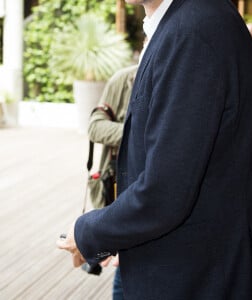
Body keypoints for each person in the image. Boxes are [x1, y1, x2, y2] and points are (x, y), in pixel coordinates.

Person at [57, 1, 252, 299]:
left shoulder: (192, 31)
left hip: (201, 275)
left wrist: (87, 233)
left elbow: (166, 190)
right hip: (195, 263)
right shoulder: (191, 21)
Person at [87, 64, 138, 300]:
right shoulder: (124, 79)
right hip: (121, 184)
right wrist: (135, 135)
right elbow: (95, 126)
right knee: (124, 261)